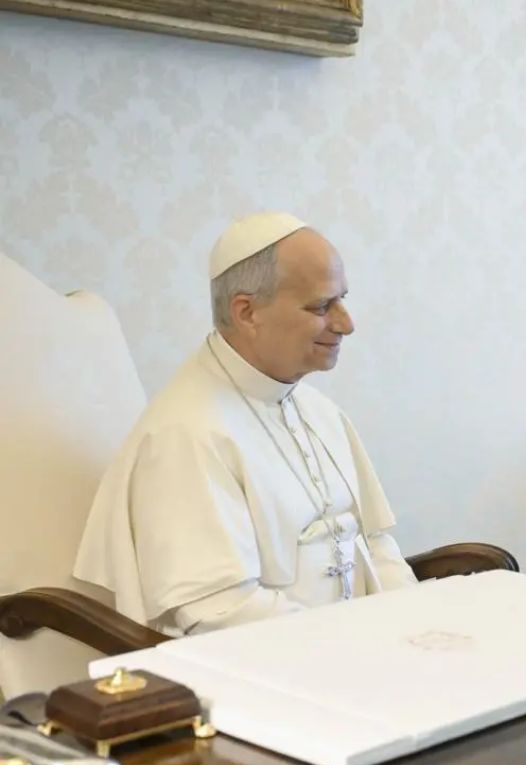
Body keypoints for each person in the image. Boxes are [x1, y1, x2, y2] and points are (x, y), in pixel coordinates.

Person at [74, 212, 417, 634]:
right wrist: (349, 643)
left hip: (352, 647)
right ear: (247, 312)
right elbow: (219, 610)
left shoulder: (319, 411)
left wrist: (413, 624)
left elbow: (374, 545)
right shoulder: (186, 434)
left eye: (342, 299)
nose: (347, 323)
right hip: (265, 660)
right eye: (321, 306)